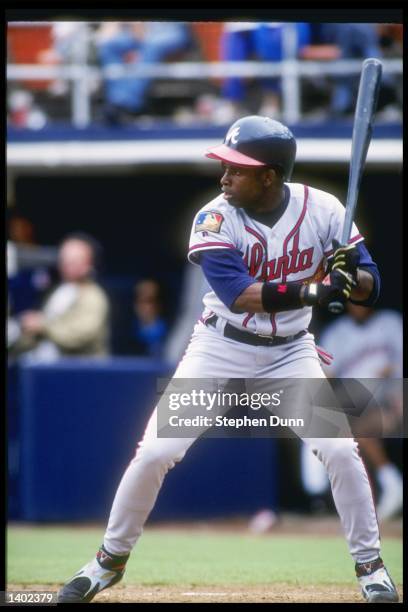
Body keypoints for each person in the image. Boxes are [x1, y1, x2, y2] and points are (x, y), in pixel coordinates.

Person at [57, 116, 398, 604]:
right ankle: (108, 561)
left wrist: (351, 277)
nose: (224, 176)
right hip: (221, 347)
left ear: (269, 175)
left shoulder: (324, 209)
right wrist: (319, 289)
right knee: (156, 452)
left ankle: (371, 569)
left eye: (236, 169)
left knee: (341, 450)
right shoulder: (213, 216)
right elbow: (240, 295)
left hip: (291, 353)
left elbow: (372, 284)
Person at [301, 303, 402, 521]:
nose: (358, 304)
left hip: (391, 398)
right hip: (356, 405)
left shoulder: (391, 322)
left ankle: (389, 491)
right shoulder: (338, 332)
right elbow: (325, 376)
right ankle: (320, 496)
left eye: (362, 296)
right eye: (353, 298)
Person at [9, 232, 110, 361]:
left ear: (89, 264)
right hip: (48, 367)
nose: (67, 263)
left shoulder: (94, 296)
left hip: (81, 371)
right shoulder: (57, 290)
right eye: (64, 258)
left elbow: (78, 335)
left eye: (74, 260)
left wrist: (42, 325)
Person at [130, 279, 168, 357]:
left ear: (159, 303)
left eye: (149, 301)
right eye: (140, 300)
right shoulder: (124, 333)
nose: (144, 306)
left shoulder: (172, 332)